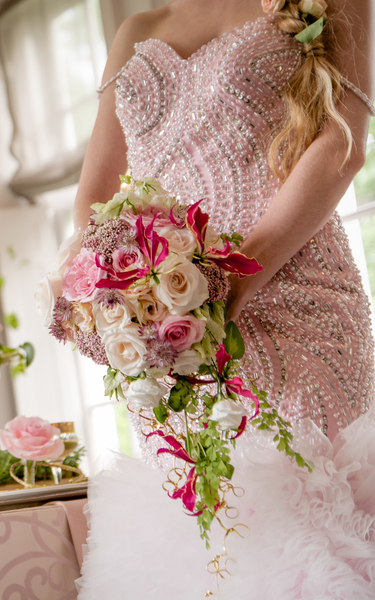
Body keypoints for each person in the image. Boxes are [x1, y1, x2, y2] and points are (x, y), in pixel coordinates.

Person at [69, 0, 375, 597]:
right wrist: (103, 292)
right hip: (172, 323)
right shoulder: (136, 29)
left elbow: (342, 144)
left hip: (297, 305)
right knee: (210, 535)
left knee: (305, 517)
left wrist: (228, 282)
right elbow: (95, 195)